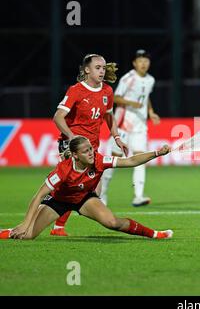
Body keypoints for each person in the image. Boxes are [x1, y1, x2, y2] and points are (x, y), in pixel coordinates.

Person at [0, 136, 172, 240]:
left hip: (83, 198)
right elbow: (38, 196)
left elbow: (130, 161)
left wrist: (156, 153)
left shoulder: (98, 160)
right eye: (85, 151)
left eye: (91, 149)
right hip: (58, 201)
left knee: (112, 222)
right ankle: (6, 231)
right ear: (75, 155)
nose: (91, 153)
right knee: (26, 235)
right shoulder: (63, 170)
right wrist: (24, 224)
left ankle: (155, 234)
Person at [49, 53, 129, 237]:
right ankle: (53, 222)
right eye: (97, 68)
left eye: (103, 68)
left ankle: (58, 223)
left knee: (93, 190)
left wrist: (117, 137)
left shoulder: (107, 91)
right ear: (87, 70)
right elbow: (58, 117)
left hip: (92, 148)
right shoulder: (76, 90)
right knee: (77, 187)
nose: (101, 71)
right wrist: (71, 137)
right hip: (73, 148)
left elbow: (109, 116)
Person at [100, 49, 161, 207]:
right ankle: (102, 194)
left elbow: (146, 97)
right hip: (123, 124)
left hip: (140, 125)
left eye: (146, 61)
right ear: (134, 63)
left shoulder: (150, 80)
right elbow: (116, 98)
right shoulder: (128, 78)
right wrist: (132, 103)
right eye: (140, 60)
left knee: (141, 158)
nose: (143, 63)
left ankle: (138, 196)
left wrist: (151, 112)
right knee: (113, 159)